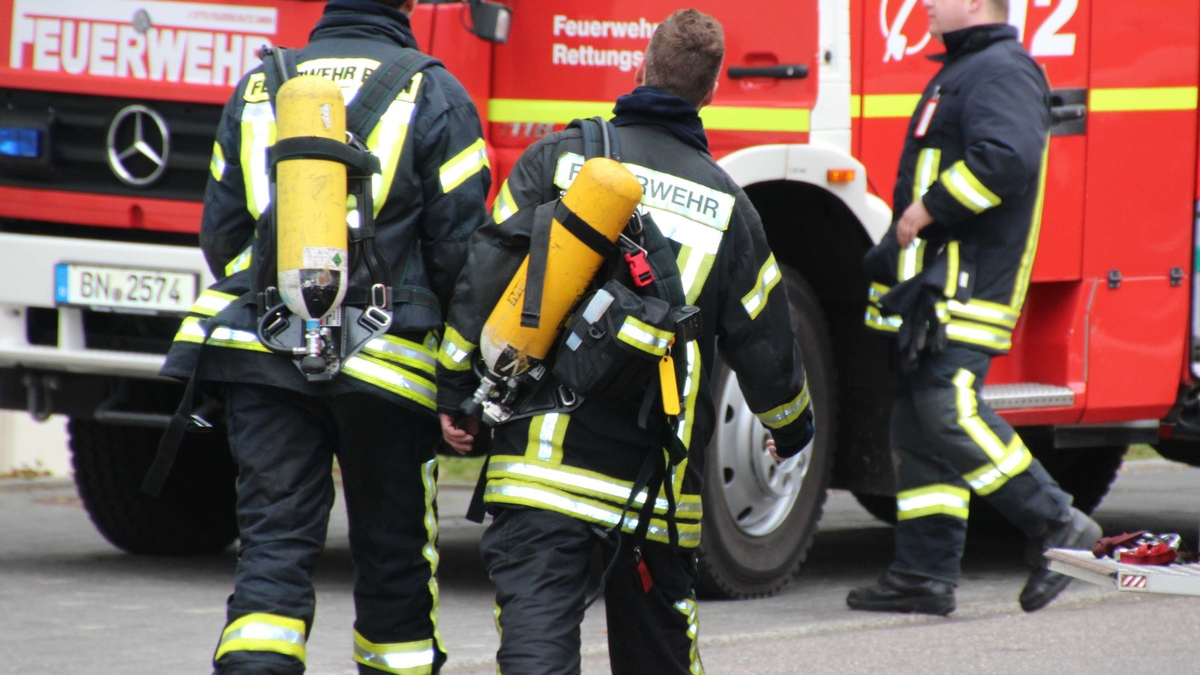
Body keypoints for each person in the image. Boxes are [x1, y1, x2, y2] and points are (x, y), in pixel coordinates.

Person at [436, 9, 814, 675]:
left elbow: (485, 274)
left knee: (535, 657)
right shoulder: (731, 207)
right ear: (711, 91)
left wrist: (455, 392)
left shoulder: (560, 156)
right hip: (652, 491)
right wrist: (792, 429)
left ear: (641, 66)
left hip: (541, 474)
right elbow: (767, 343)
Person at [157, 1, 490, 673]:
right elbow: (462, 256)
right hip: (388, 368)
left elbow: (223, 235)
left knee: (272, 546)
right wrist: (460, 380)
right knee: (395, 558)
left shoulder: (259, 85)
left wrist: (283, 300)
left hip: (264, 356)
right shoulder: (435, 91)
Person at [852, 0, 1101, 616]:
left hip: (968, 285)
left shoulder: (1001, 69)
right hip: (935, 287)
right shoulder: (967, 68)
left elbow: (1006, 160)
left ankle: (1057, 522)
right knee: (917, 422)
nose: (924, 5)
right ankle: (923, 574)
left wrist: (927, 208)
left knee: (947, 405)